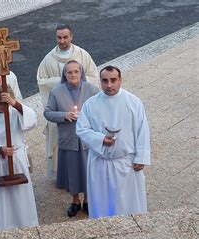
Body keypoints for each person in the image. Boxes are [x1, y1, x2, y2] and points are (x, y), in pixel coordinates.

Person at [76, 66, 150, 219]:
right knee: (102, 204)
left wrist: (141, 158)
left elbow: (142, 131)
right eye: (105, 81)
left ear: (120, 80)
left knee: (128, 205)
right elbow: (81, 129)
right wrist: (101, 139)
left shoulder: (133, 102)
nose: (109, 85)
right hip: (100, 163)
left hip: (126, 163)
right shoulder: (91, 104)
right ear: (100, 82)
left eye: (113, 80)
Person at [36, 24, 99, 180]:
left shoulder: (82, 55)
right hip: (61, 107)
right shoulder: (49, 59)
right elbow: (41, 80)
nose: (62, 40)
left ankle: (85, 174)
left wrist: (78, 81)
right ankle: (61, 176)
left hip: (82, 104)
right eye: (59, 37)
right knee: (59, 142)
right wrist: (61, 83)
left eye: (65, 37)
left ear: (71, 36)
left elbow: (93, 77)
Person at [0, 85, 38, 232]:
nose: (4, 107)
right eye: (0, 104)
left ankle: (25, 224)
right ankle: (3, 227)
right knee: (2, 199)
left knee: (21, 196)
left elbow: (32, 120)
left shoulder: (15, 112)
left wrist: (14, 103)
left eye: (6, 103)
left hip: (17, 160)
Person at [44, 60, 98, 217]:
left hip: (88, 140)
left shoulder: (92, 89)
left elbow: (100, 111)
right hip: (68, 138)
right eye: (69, 72)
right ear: (64, 74)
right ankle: (75, 200)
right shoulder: (56, 92)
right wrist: (64, 115)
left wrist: (86, 116)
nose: (73, 74)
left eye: (76, 71)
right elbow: (47, 112)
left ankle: (87, 200)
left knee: (88, 171)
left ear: (81, 73)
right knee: (72, 172)